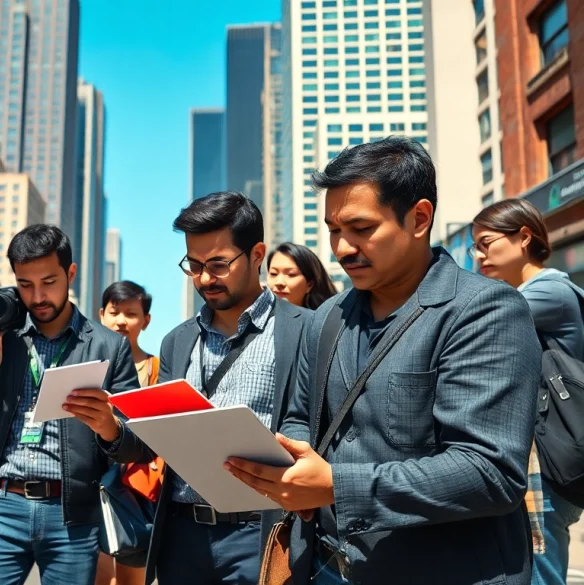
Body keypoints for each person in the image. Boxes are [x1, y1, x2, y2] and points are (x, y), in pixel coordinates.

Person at [225, 137, 541, 584]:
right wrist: (281, 459)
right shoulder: (326, 319)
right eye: (334, 230)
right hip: (325, 566)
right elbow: (300, 417)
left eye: (361, 228)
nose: (343, 247)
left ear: (419, 218)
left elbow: (489, 471)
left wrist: (336, 484)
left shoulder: (485, 311)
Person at [106, 192, 312, 584]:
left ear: (256, 255)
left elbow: (310, 426)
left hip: (263, 534)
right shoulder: (177, 341)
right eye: (194, 265)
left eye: (218, 265)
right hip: (183, 537)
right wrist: (109, 428)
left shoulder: (303, 330)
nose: (203, 278)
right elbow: (154, 441)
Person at [0, 224, 146, 585]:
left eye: (49, 282)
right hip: (0, 508)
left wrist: (109, 427)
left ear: (71, 273)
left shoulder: (110, 347)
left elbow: (138, 445)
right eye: (25, 285)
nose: (37, 296)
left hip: (72, 515)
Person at [471, 198, 584, 585]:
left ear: (523, 237)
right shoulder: (521, 291)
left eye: (486, 242)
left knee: (542, 572)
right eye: (475, 246)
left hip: (547, 461)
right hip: (535, 456)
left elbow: (476, 322)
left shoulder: (547, 291)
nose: (478, 255)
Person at [95, 280, 158, 585]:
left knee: (132, 577)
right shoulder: (88, 367)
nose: (121, 321)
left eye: (131, 314)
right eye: (114, 312)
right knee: (97, 576)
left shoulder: (158, 369)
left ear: (145, 321)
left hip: (138, 491)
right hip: (93, 485)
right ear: (101, 315)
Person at [266, 242, 337, 310]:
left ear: (310, 284)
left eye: (291, 274)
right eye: (273, 274)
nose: (279, 282)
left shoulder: (327, 320)